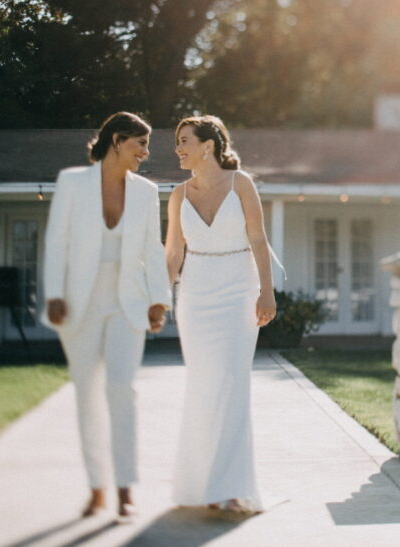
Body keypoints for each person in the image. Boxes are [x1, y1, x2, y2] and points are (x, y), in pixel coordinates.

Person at [42, 111, 172, 520]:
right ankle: (97, 487)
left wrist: (158, 300)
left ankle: (124, 489)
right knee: (87, 395)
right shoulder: (72, 182)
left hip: (126, 303)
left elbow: (153, 248)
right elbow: (57, 241)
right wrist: (54, 294)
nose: (145, 154)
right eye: (140, 144)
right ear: (117, 140)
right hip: (78, 304)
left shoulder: (146, 191)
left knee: (121, 389)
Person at [164, 114, 277, 513]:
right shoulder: (178, 195)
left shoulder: (240, 184)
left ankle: (232, 485)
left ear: (208, 146)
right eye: (178, 141)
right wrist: (160, 296)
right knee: (203, 385)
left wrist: (267, 291)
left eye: (184, 140)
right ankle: (204, 485)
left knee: (232, 380)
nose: (178, 148)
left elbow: (259, 238)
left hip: (238, 289)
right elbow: (174, 252)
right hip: (195, 296)